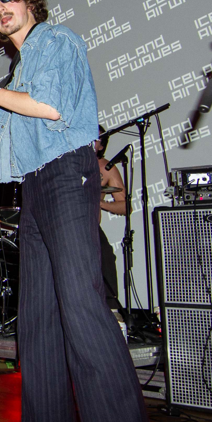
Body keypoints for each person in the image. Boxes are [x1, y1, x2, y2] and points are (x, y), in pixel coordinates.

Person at [0, 0, 159, 422]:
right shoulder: (19, 69)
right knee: (38, 318)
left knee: (82, 306)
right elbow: (9, 132)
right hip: (35, 183)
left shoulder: (56, 40)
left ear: (30, 3)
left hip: (66, 174)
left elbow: (51, 107)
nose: (0, 7)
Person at [94, 130, 126, 310]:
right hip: (63, 226)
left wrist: (100, 203)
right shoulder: (64, 162)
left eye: (95, 138)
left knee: (106, 259)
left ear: (102, 145)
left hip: (90, 227)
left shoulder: (105, 168)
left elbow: (125, 206)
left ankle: (112, 313)